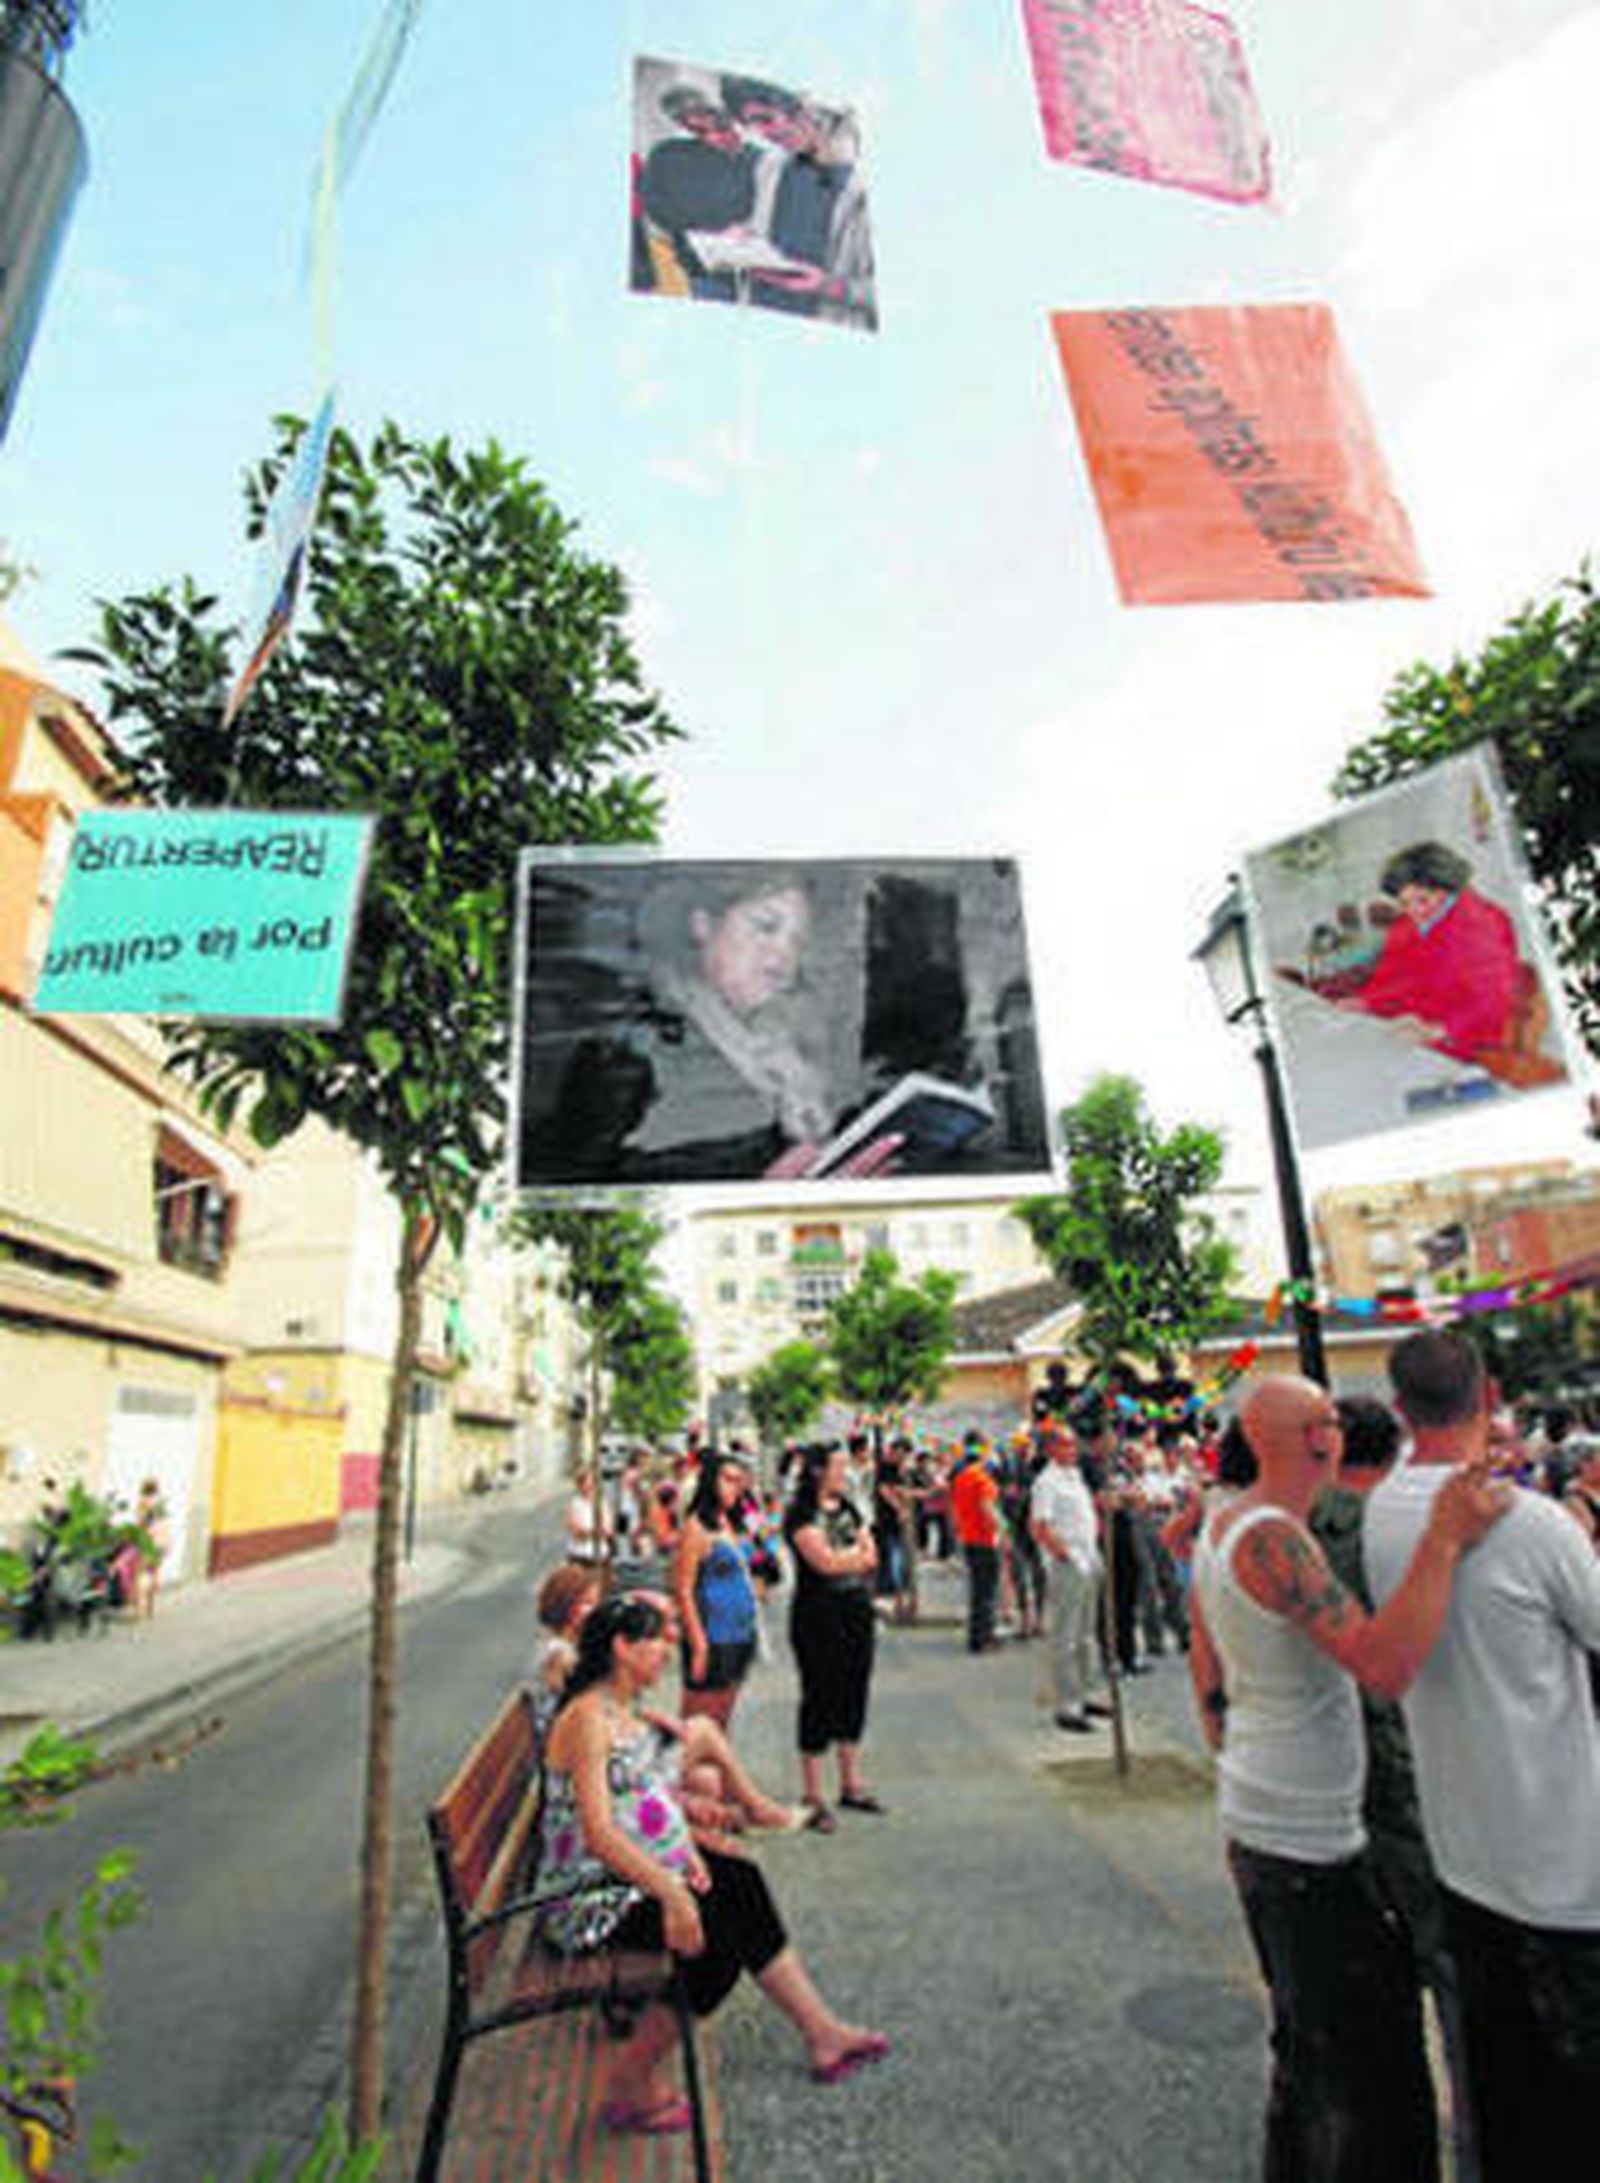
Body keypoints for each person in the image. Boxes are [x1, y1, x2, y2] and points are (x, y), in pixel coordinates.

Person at [1189, 1371, 1508, 2183]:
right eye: (1327, 1420)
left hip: (1272, 1820)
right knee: (1364, 2079)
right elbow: (1382, 1661)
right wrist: (1441, 1539)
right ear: (1311, 1438)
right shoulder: (1273, 1539)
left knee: (1309, 2056)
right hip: (1305, 1844)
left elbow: (1209, 1670)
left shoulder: (1226, 1524)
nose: (1339, 1434)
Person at [1365, 1331, 1600, 2180]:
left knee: (1503, 2094)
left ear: (1400, 1409)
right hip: (1566, 1869)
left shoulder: (1384, 1513)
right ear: (1490, 1395)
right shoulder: (1532, 1523)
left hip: (1464, 1853)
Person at [529, 1594, 888, 2134]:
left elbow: (640, 1800)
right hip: (587, 1901)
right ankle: (631, 2081)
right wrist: (672, 1891)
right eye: (659, 1640)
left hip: (624, 1879)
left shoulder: (616, 1707)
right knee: (713, 1941)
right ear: (624, 1649)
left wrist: (686, 1846)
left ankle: (822, 2032)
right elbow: (600, 1834)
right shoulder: (587, 1718)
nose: (669, 1650)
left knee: (739, 1880)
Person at [1321, 842, 1531, 1077]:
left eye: (1422, 900)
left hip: (1471, 1052)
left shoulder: (1482, 925)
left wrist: (1439, 1030)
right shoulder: (1408, 924)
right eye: (1404, 903)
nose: (1414, 911)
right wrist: (1366, 1001)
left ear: (1447, 889)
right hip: (1419, 1039)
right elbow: (1393, 976)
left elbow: (1493, 999)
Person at [783, 1443, 883, 1831]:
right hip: (817, 1616)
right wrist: (852, 1558)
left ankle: (850, 1782)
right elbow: (822, 1563)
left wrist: (850, 1559)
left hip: (856, 1610)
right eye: (838, 1466)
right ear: (817, 1471)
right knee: (819, 1694)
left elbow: (868, 1553)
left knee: (854, 1689)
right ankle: (812, 1794)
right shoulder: (800, 1513)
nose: (844, 1473)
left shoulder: (849, 1508)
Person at [1029, 1424, 1108, 1733]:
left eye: (1074, 1444)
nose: (1072, 1450)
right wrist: (1065, 1555)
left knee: (1087, 1633)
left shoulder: (1074, 1477)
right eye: (1065, 1445)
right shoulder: (1046, 1482)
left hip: (1089, 1557)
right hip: (1069, 1562)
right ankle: (1067, 1704)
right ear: (1050, 1448)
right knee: (1067, 1635)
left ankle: (1085, 1693)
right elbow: (1040, 1527)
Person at [673, 1452, 760, 1730]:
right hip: (712, 1634)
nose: (734, 1487)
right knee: (699, 1723)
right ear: (710, 1482)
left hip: (740, 1631)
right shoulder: (696, 1527)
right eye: (727, 1480)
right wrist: (699, 1643)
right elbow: (683, 1588)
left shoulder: (732, 1522)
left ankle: (717, 1771)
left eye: (738, 1481)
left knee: (723, 1718)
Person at [949, 1433, 1002, 1654]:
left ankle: (976, 1636)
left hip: (968, 1538)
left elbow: (954, 1510)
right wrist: (1001, 1531)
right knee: (987, 1592)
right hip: (985, 1539)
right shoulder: (983, 1480)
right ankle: (984, 1638)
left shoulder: (960, 1478)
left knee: (977, 1591)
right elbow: (987, 1509)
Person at [565, 1464, 610, 1568]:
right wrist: (594, 1532)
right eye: (583, 1483)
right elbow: (576, 1531)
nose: (588, 1487)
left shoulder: (602, 1503)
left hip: (600, 1554)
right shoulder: (574, 1503)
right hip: (579, 1554)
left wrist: (593, 1532)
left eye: (591, 1484)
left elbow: (608, 1530)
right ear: (579, 1486)